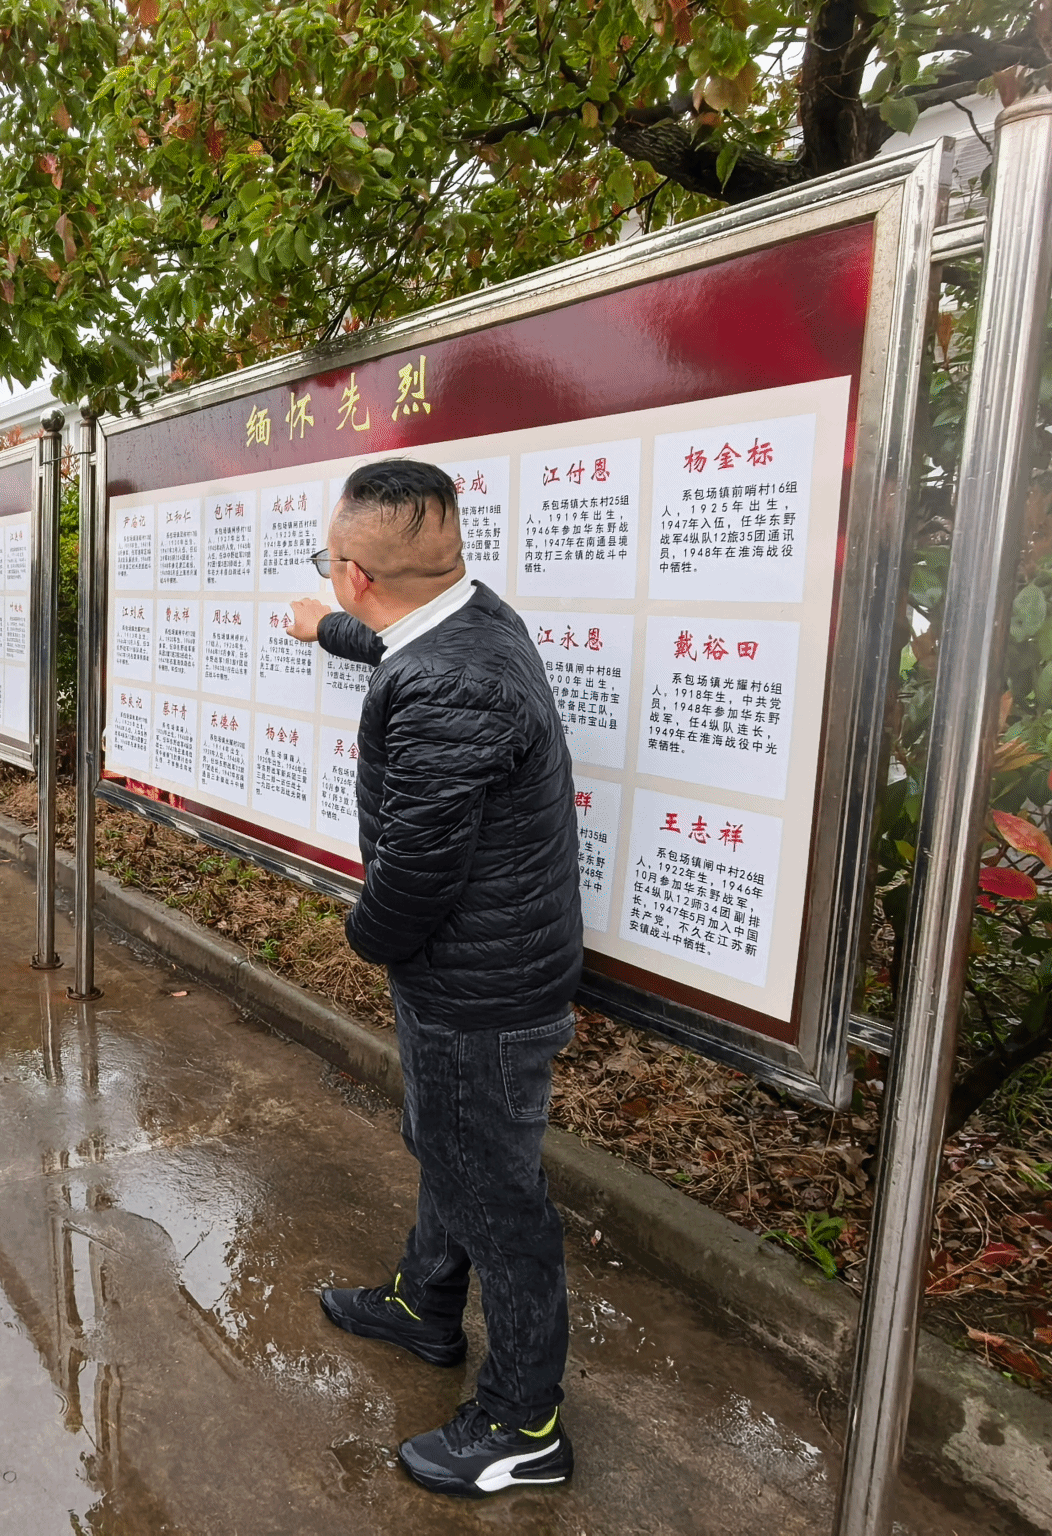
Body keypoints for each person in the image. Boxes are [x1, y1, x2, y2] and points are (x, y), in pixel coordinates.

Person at [288, 459, 582, 1501]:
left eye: (330, 565)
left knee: (495, 1197)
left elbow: (414, 875)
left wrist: (361, 935)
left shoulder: (445, 684)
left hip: (476, 991)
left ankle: (523, 1422)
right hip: (484, 969)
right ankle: (424, 1305)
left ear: (356, 573)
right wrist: (324, 631)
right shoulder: (472, 618)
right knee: (448, 1150)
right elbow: (399, 637)